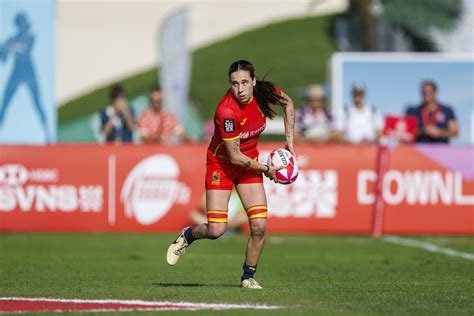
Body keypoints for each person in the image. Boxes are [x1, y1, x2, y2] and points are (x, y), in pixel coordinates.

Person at [166, 60, 296, 289]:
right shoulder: (226, 112)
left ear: (254, 81)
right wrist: (266, 169)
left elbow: (288, 103)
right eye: (235, 84)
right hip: (221, 167)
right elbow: (235, 157)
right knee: (216, 230)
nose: (240, 89)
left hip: (248, 167)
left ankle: (248, 277)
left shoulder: (264, 92)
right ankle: (188, 235)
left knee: (259, 227)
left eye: (245, 82)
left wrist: (289, 140)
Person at [0, 12, 49, 142]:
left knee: (37, 102)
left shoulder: (30, 37)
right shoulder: (13, 39)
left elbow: (25, 49)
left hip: (29, 71)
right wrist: (4, 50)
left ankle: (47, 133)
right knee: (5, 101)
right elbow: (3, 58)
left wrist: (10, 47)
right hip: (17, 71)